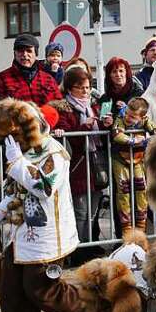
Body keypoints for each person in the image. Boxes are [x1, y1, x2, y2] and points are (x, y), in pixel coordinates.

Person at [0, 99, 84, 312]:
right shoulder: (23, 151)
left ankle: (89, 306)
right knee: (11, 289)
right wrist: (1, 209)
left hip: (45, 235)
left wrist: (18, 163)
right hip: (17, 234)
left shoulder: (54, 153)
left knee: (41, 289)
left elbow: (44, 189)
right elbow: (16, 189)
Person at [52, 68, 112, 249]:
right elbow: (68, 139)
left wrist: (105, 124)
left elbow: (101, 137)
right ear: (70, 89)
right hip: (77, 168)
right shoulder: (64, 109)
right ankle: (78, 248)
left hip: (95, 167)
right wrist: (83, 127)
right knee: (80, 211)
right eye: (80, 88)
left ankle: (91, 245)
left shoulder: (93, 108)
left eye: (87, 87)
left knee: (93, 211)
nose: (85, 91)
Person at [110, 97, 153, 237]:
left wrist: (148, 136)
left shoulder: (145, 121)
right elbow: (117, 135)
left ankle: (141, 230)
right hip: (120, 160)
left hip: (138, 160)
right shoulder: (120, 118)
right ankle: (126, 231)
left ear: (142, 117)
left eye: (133, 116)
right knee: (124, 193)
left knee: (141, 191)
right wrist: (133, 140)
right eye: (127, 113)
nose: (128, 118)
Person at [0, 34, 63, 105]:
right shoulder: (2, 79)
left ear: (36, 53)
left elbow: (59, 106)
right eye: (20, 51)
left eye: (29, 51)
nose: (24, 54)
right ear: (15, 53)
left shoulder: (48, 79)